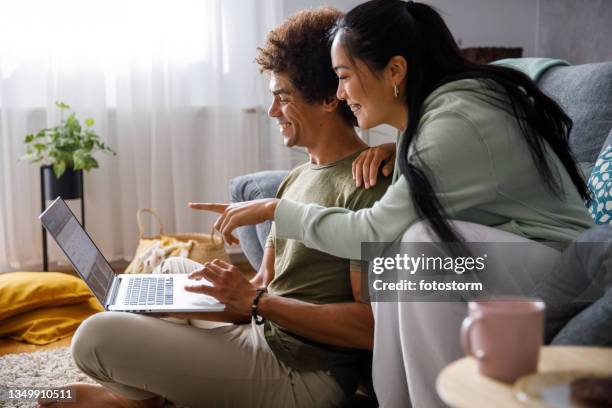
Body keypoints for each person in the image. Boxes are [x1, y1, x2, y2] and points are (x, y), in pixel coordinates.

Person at [192, 1, 595, 407]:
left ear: (396, 71)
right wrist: (400, 148)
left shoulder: (455, 121)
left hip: (564, 269)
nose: (340, 92)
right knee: (400, 253)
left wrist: (275, 210)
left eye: (344, 76)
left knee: (419, 245)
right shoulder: (435, 116)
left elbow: (370, 232)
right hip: (519, 256)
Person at [39, 8, 392, 408]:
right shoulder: (298, 177)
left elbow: (371, 328)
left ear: (330, 99)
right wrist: (234, 293)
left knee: (94, 338)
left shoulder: (369, 182)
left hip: (302, 375)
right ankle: (155, 390)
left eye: (283, 97)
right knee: (172, 271)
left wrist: (256, 303)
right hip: (262, 331)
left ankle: (133, 401)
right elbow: (264, 281)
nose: (272, 111)